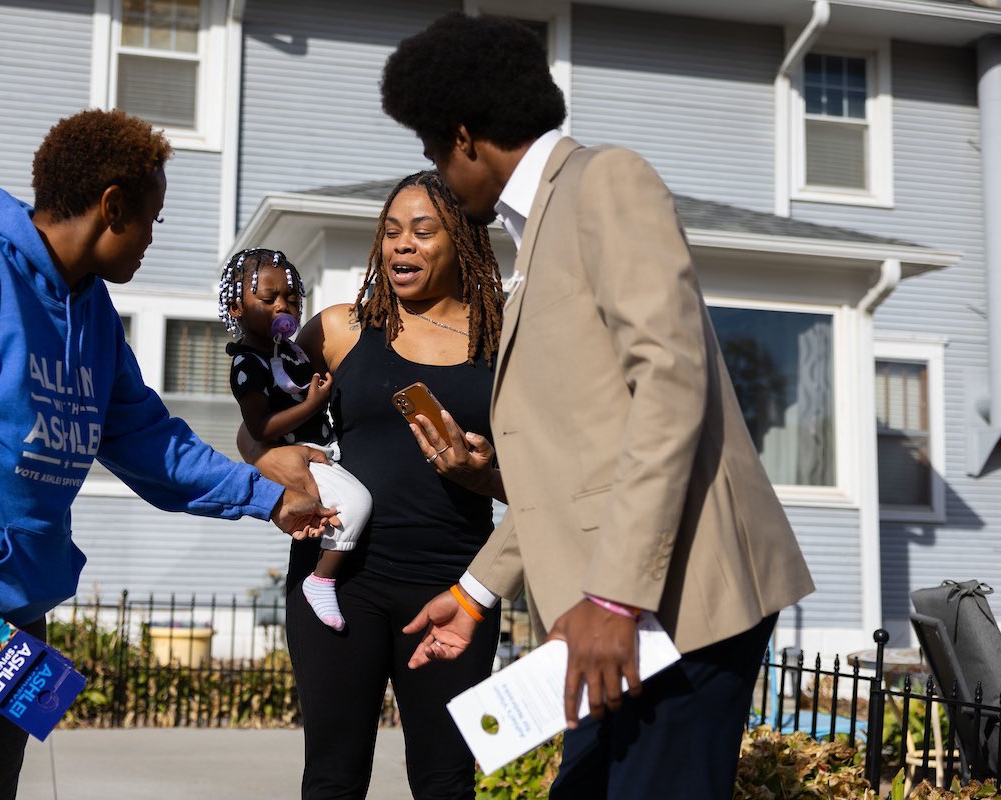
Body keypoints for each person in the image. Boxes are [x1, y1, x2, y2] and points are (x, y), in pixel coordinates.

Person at [0, 108, 332, 800]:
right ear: (111, 207)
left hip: (9, 583)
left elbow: (148, 440)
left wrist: (270, 498)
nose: (153, 238)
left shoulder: (93, 314)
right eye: (151, 219)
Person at [380, 14, 816, 799]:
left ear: (465, 137)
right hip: (613, 613)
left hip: (675, 604)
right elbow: (576, 466)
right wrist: (476, 593)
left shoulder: (605, 181)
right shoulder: (537, 232)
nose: (438, 172)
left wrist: (615, 595)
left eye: (434, 150)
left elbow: (672, 386)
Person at [239, 170, 507, 798]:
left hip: (456, 586)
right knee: (332, 777)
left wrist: (483, 475)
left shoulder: (501, 342)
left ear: (463, 241)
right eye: (390, 232)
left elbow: (543, 487)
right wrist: (267, 460)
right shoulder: (342, 328)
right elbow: (257, 429)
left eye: (422, 231)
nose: (401, 244)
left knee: (446, 782)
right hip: (339, 581)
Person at [220, 247, 372, 631]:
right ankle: (322, 579)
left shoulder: (290, 352)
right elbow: (260, 428)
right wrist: (312, 404)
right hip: (302, 456)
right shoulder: (246, 364)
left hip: (325, 449)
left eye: (291, 298)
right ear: (236, 308)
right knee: (357, 504)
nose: (282, 307)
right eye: (268, 298)